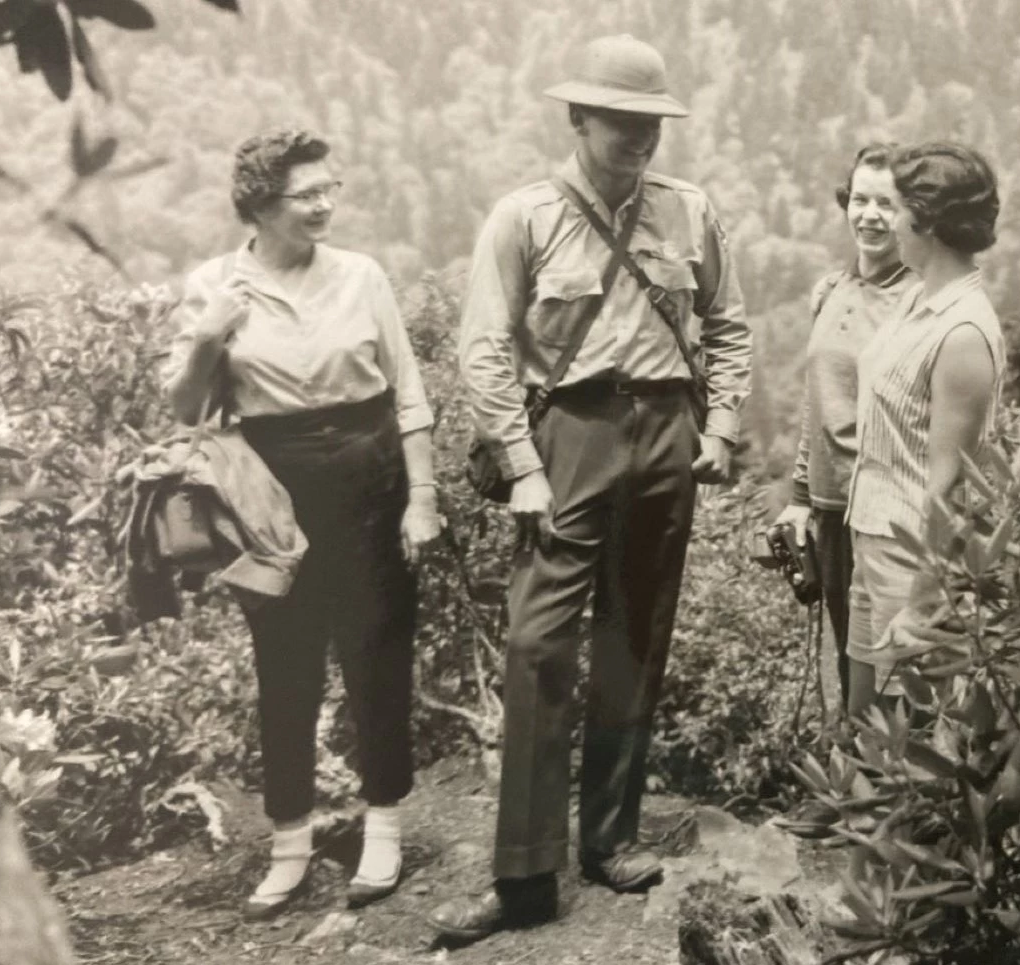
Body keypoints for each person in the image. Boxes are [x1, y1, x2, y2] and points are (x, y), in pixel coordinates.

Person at [429, 34, 751, 943]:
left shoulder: (689, 212)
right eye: (620, 120)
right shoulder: (525, 216)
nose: (639, 137)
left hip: (667, 432)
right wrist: (524, 467)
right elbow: (484, 348)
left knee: (635, 636)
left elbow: (728, 326)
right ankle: (527, 875)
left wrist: (720, 427)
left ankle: (609, 838)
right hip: (567, 434)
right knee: (537, 648)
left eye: (651, 121)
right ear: (578, 118)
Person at [163, 129, 443, 919]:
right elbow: (186, 407)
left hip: (369, 472)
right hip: (270, 488)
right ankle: (289, 841)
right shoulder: (214, 284)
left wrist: (422, 497)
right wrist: (211, 333)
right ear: (259, 203)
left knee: (376, 650)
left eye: (331, 189)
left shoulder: (361, 276)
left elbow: (408, 392)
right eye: (306, 194)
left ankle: (383, 824)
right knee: (283, 662)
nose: (324, 204)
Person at [842, 141, 1005, 716]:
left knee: (902, 731)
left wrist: (922, 604)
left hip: (913, 561)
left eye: (896, 206)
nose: (886, 219)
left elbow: (950, 487)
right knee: (864, 721)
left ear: (926, 221)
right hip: (872, 536)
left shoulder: (963, 332)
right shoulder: (916, 296)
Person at [772, 143, 916, 707]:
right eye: (860, 199)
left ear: (913, 214)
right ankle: (854, 774)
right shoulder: (832, 291)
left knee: (889, 665)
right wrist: (801, 495)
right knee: (846, 655)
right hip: (833, 508)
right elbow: (817, 402)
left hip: (885, 511)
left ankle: (893, 784)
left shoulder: (918, 301)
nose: (870, 215)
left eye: (888, 202)